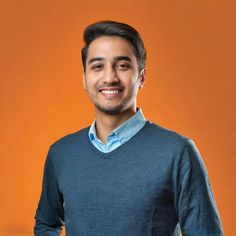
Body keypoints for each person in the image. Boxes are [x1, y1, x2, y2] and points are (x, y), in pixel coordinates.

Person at [34, 20, 223, 236]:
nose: (110, 77)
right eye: (97, 66)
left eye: (122, 66)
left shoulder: (177, 152)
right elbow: (46, 224)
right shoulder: (61, 153)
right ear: (85, 78)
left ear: (141, 77)